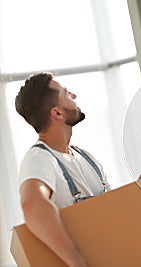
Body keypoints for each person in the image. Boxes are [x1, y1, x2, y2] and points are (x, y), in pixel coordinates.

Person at [15, 73, 111, 267]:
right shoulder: (40, 159)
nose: (74, 96)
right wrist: (76, 261)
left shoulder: (86, 157)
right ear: (57, 113)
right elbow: (32, 205)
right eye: (67, 95)